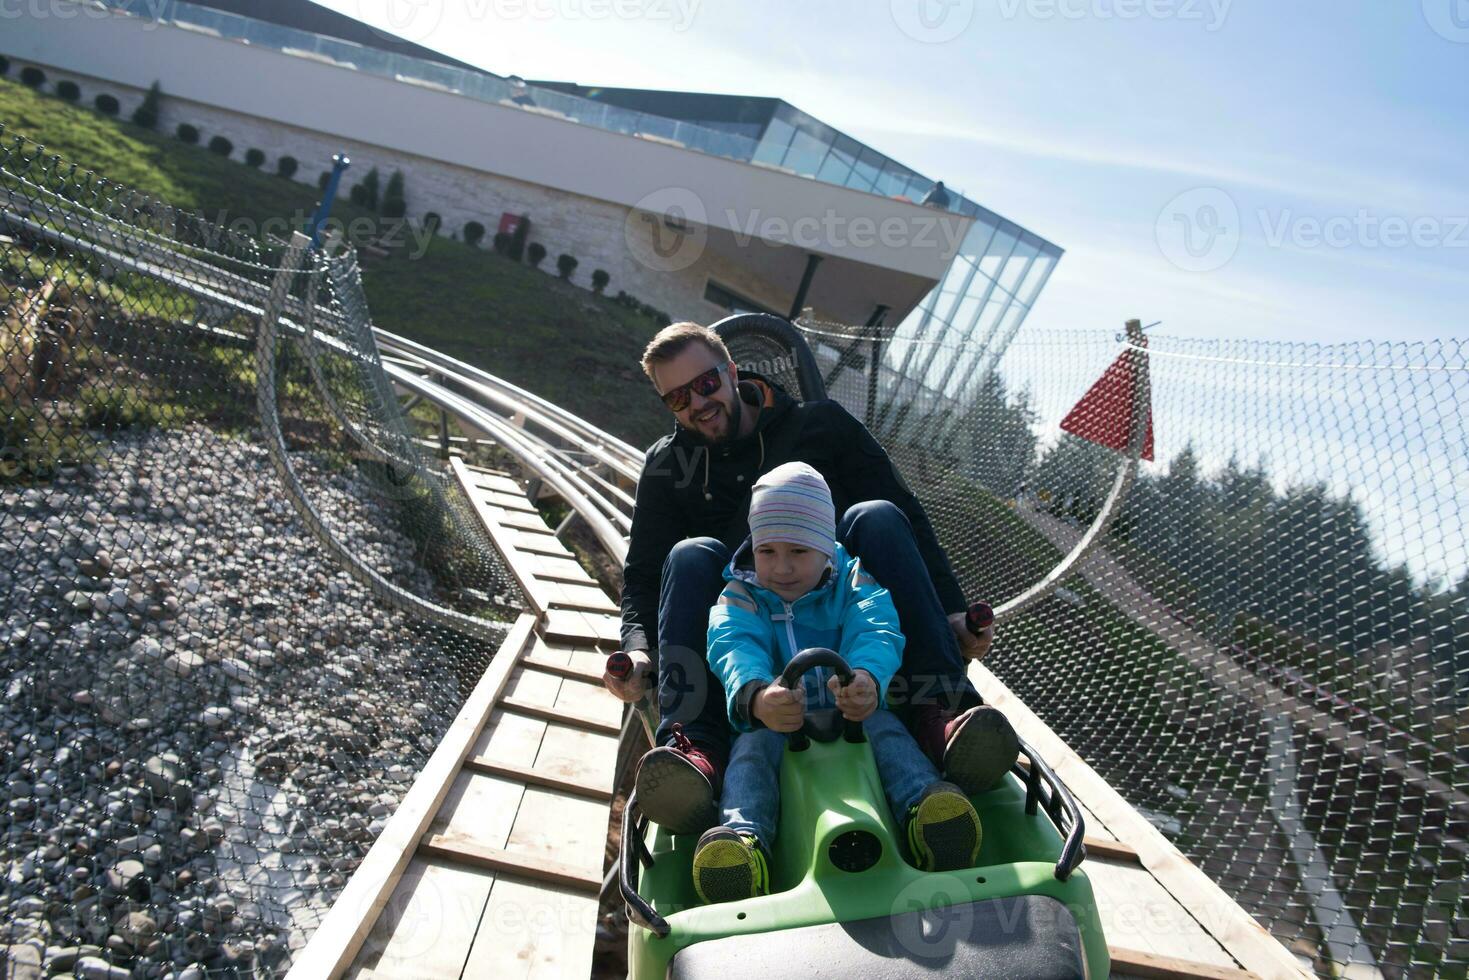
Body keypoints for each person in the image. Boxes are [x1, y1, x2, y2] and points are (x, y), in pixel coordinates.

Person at [603, 321, 1018, 833]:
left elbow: (906, 513)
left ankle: (941, 715)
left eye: (706, 384)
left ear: (731, 372)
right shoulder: (670, 464)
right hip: (742, 639)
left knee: (879, 515)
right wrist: (638, 647)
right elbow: (645, 572)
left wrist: (953, 610)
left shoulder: (820, 427)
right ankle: (697, 750)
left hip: (839, 618)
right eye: (677, 399)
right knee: (689, 554)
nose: (697, 404)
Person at [691, 463, 982, 904]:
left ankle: (925, 809)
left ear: (826, 547)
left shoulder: (852, 580)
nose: (781, 568)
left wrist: (866, 676)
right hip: (778, 717)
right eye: (767, 551)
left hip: (849, 708)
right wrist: (756, 694)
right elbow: (732, 640)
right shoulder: (742, 593)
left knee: (889, 734)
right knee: (750, 754)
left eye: (799, 552)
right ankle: (742, 842)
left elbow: (875, 626)